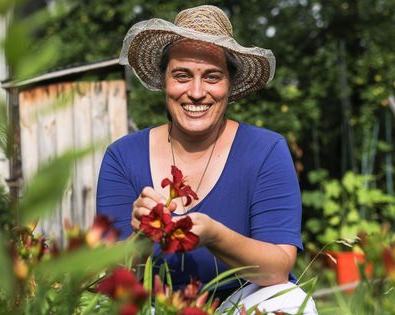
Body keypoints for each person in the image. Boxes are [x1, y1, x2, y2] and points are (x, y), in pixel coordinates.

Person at [96, 5, 317, 314]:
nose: (196, 92)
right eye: (182, 75)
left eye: (212, 77)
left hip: (240, 305)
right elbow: (109, 276)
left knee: (290, 301)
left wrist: (214, 235)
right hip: (157, 306)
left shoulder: (265, 150)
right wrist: (143, 236)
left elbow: (278, 270)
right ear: (164, 81)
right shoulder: (122, 156)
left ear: (230, 85)